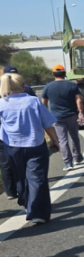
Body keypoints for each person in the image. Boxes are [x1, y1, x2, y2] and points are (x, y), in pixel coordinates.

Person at [0, 72, 59, 223]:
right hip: (34, 144)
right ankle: (38, 213)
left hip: (12, 146)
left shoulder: (2, 103)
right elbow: (47, 124)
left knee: (20, 177)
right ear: (23, 86)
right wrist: (55, 140)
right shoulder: (33, 101)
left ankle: (27, 202)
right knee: (37, 178)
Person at [42, 65, 84, 171]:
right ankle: (77, 157)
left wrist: (46, 115)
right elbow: (78, 100)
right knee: (74, 136)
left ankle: (68, 163)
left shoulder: (48, 86)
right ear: (64, 74)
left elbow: (44, 103)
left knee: (62, 140)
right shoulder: (72, 85)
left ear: (53, 74)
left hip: (56, 117)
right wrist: (80, 112)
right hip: (72, 115)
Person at [0, 66, 35, 199]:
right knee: (25, 163)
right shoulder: (25, 88)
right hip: (24, 132)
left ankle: (10, 191)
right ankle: (25, 190)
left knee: (5, 163)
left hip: (4, 133)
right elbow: (34, 106)